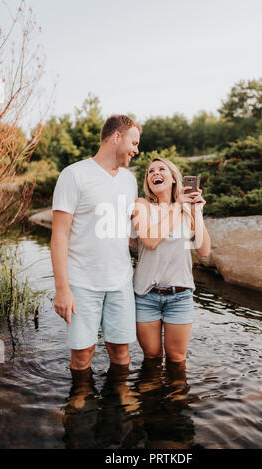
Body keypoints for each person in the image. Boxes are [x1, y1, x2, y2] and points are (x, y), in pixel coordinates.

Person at [51, 114, 141, 371]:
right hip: (82, 283)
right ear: (117, 137)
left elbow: (129, 232)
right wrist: (62, 289)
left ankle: (121, 401)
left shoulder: (129, 180)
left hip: (121, 281)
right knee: (82, 355)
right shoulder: (74, 175)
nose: (136, 150)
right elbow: (59, 236)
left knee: (121, 353)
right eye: (134, 143)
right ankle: (80, 402)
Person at [132, 157, 211, 364]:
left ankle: (176, 396)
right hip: (146, 295)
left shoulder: (187, 210)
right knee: (152, 357)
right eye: (150, 172)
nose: (155, 174)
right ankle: (152, 396)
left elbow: (204, 251)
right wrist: (178, 207)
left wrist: (196, 212)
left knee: (177, 359)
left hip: (180, 296)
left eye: (161, 169)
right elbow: (149, 241)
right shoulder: (142, 206)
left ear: (174, 178)